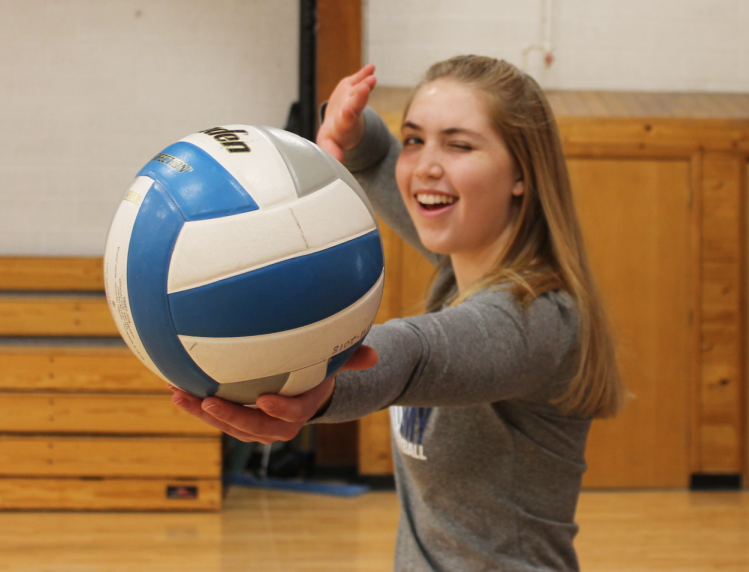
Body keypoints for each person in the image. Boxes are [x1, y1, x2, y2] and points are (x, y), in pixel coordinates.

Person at [170, 55, 625, 571]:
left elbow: (415, 353)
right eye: (415, 139)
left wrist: (325, 384)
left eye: (459, 144)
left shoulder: (539, 318)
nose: (427, 165)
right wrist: (355, 129)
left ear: (522, 173)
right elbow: (383, 166)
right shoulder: (462, 270)